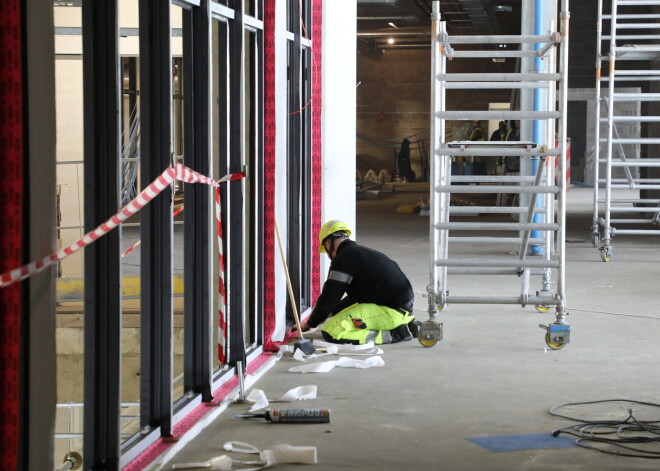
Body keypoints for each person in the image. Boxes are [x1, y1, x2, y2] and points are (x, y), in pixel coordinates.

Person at [294, 220, 417, 345]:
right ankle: (403, 324)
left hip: (392, 311)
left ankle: (396, 334)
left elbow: (329, 297)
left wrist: (309, 324)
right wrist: (321, 317)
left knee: (332, 331)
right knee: (340, 318)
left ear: (327, 243)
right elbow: (354, 298)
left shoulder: (343, 260)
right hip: (401, 308)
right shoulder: (358, 254)